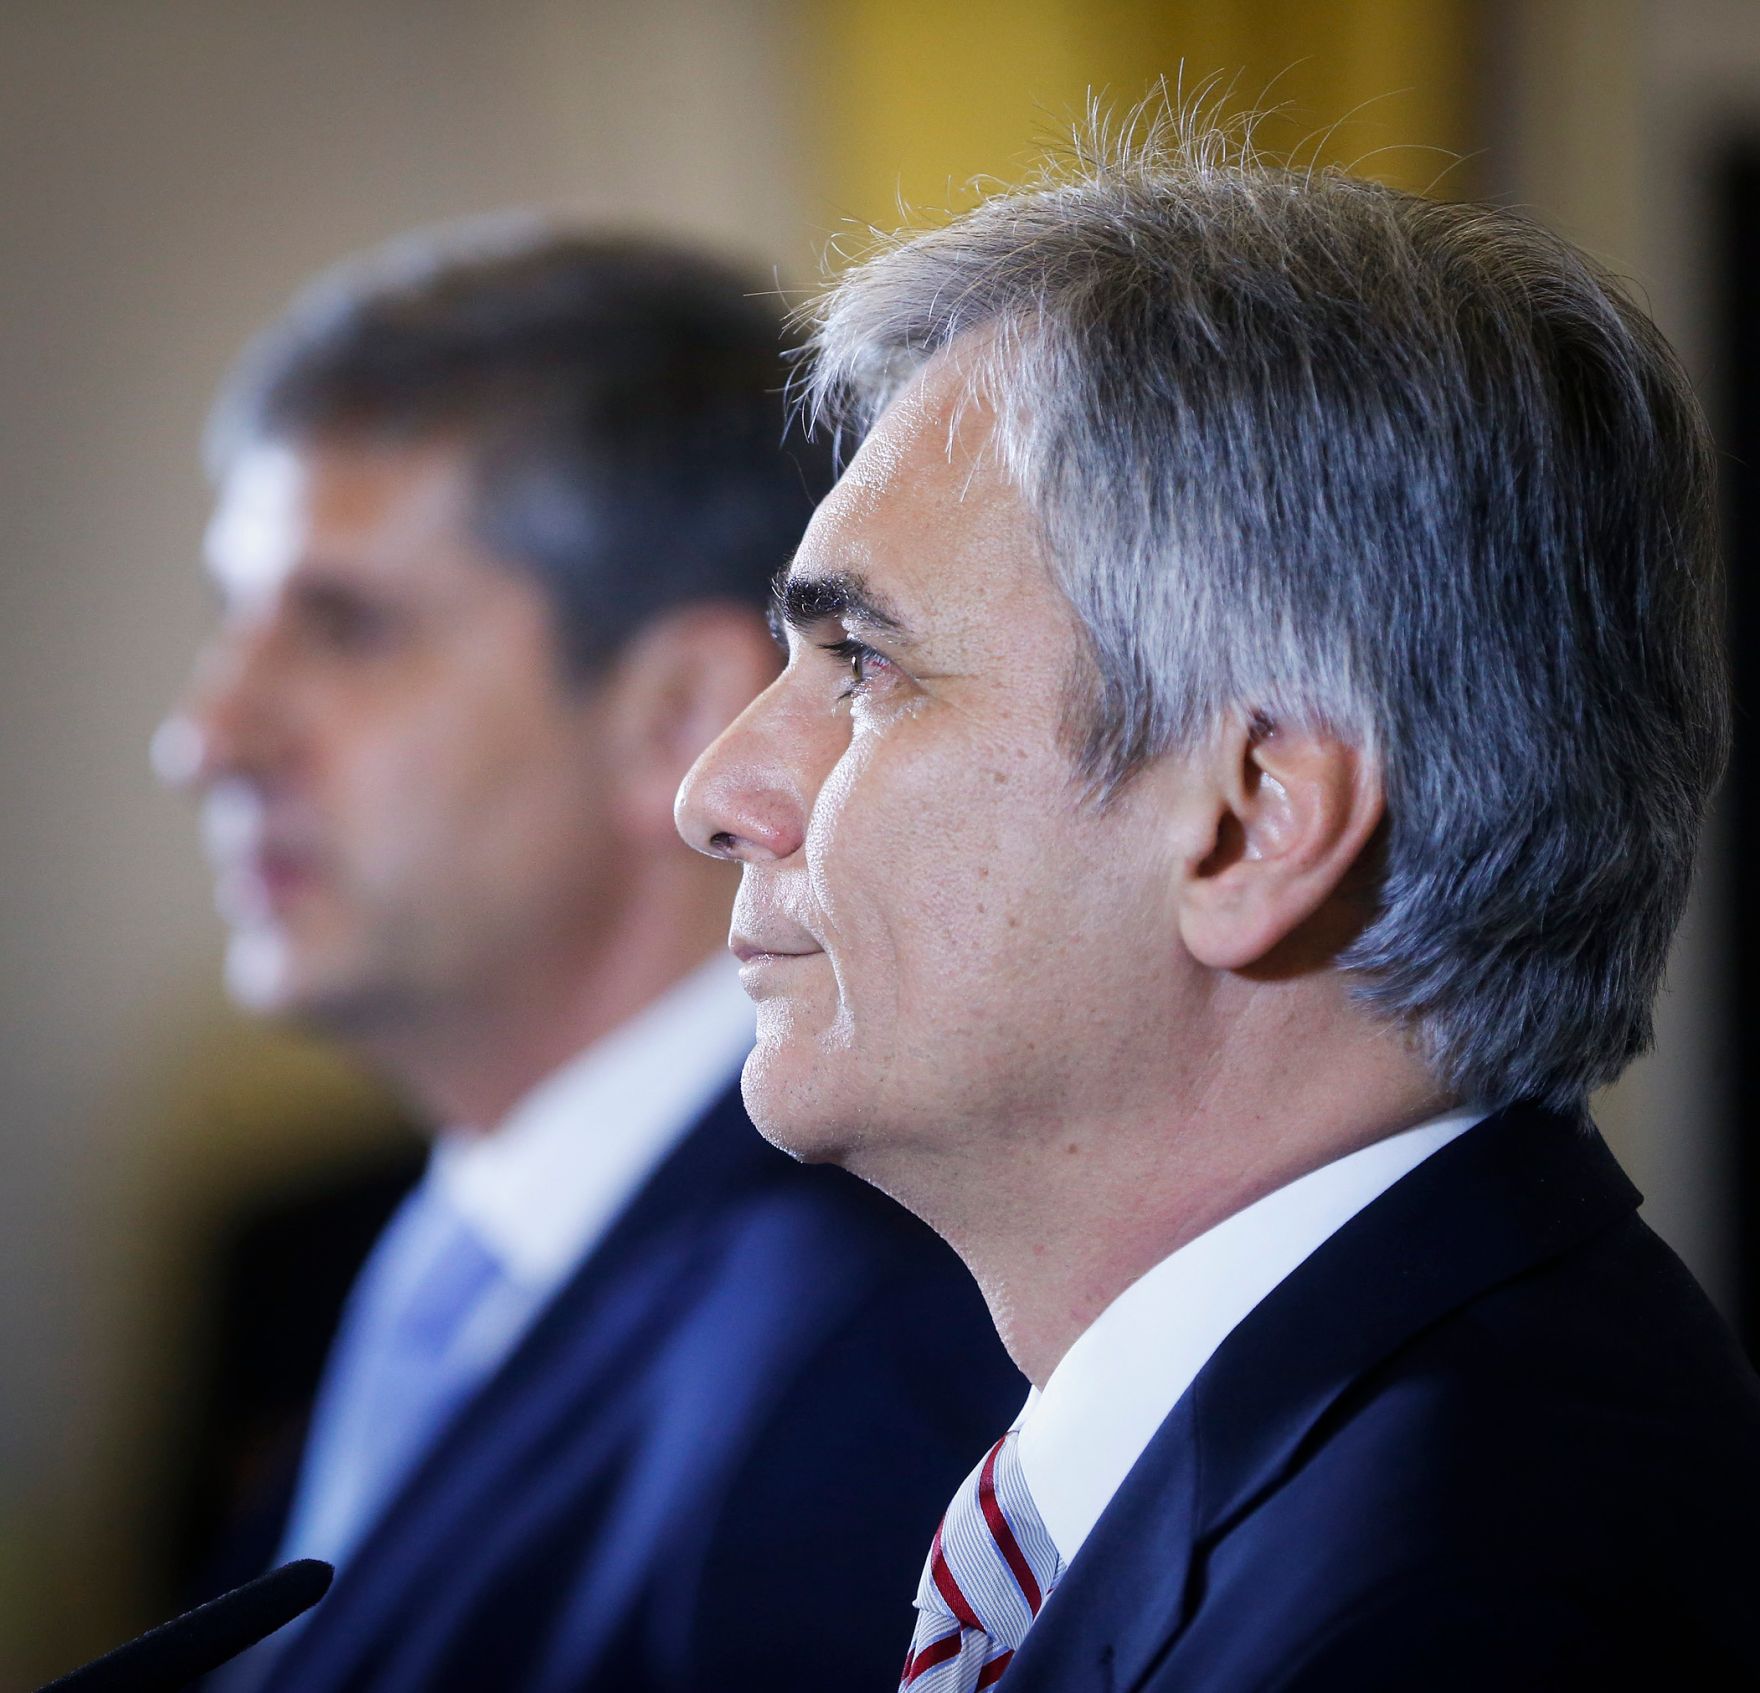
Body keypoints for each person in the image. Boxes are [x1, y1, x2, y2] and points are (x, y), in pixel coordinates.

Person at [675, 114, 1760, 1689]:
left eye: (863, 667)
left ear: (1255, 825)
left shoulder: (1458, 1618)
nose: (717, 791)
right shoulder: (1383, 1474)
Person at [157, 225, 1023, 1693]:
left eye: (346, 626)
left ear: (681, 709)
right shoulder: (395, 1253)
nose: (206, 739)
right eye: (233, 622)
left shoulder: (862, 1362)